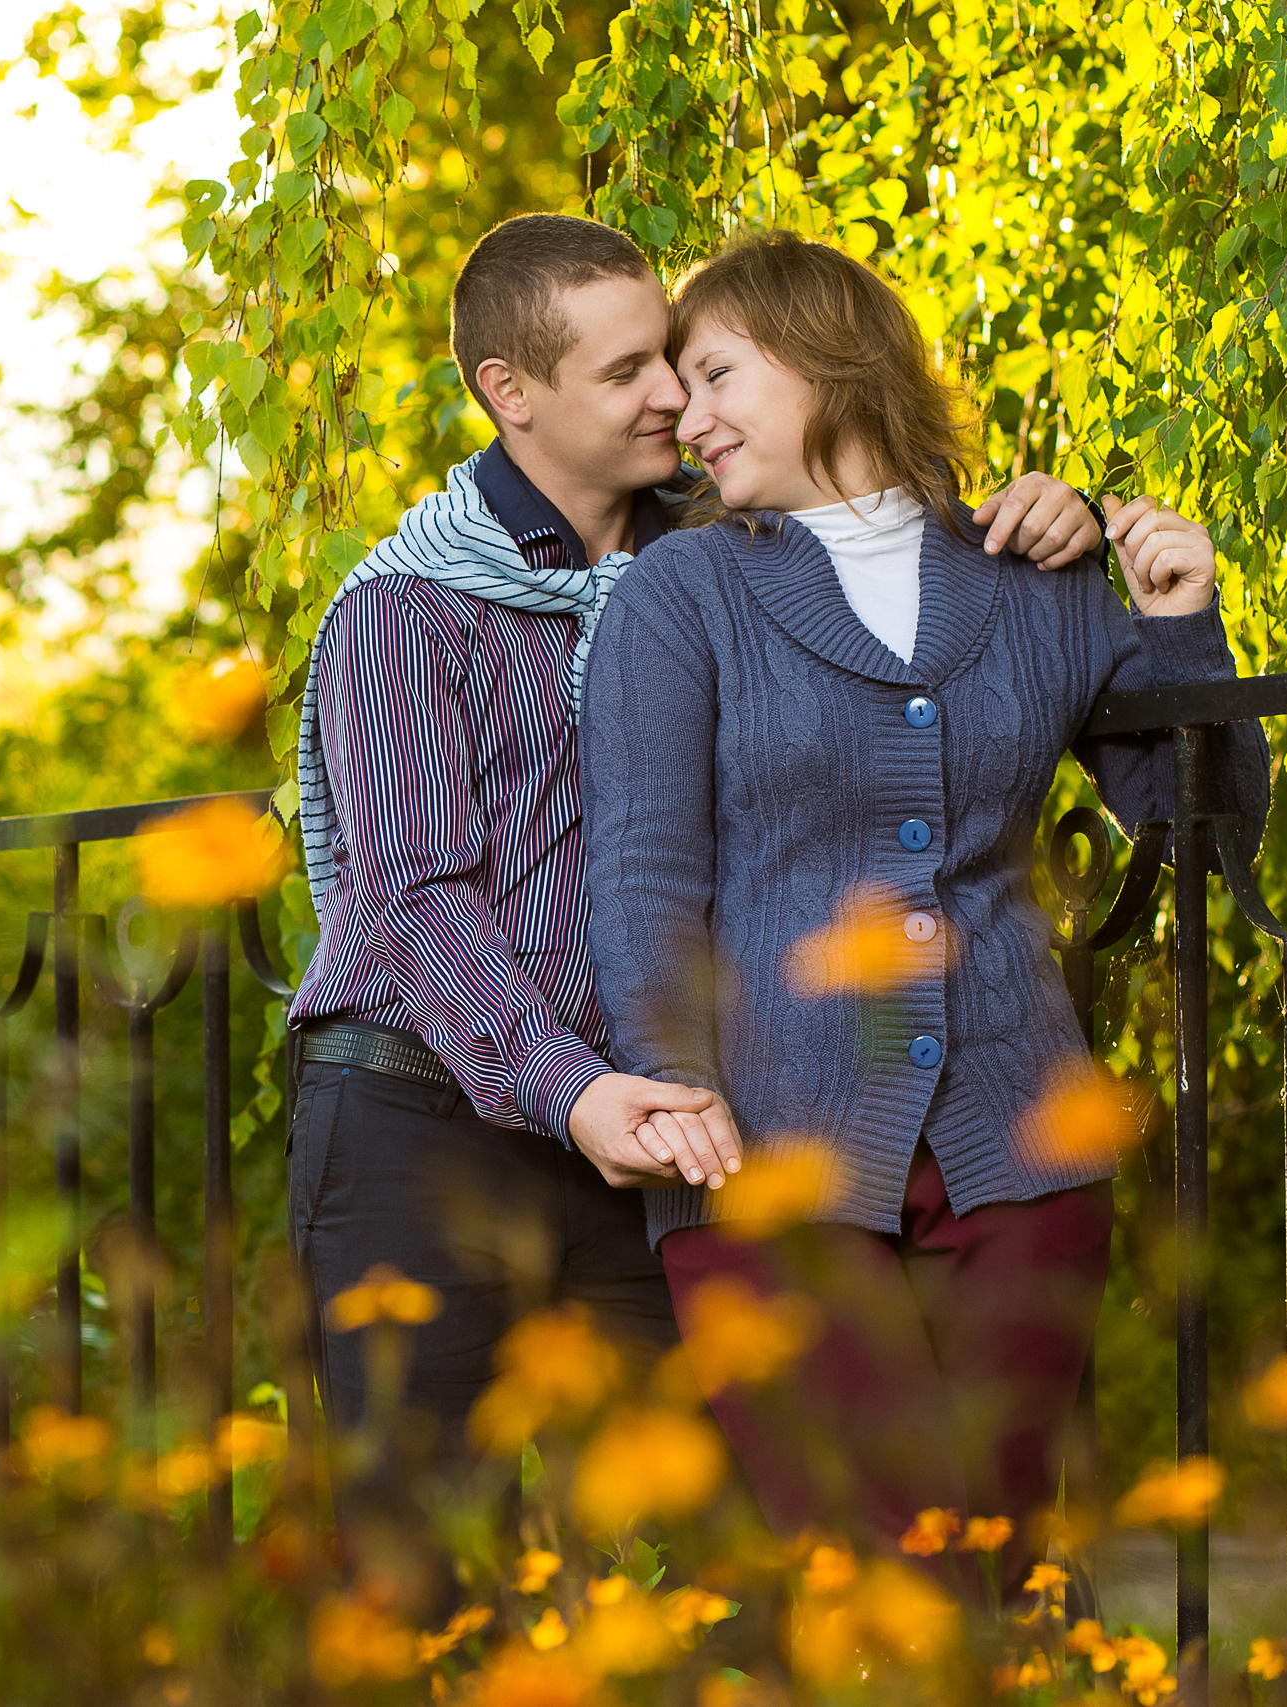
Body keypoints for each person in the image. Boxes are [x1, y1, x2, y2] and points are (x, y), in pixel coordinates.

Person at [286, 214, 1107, 1528]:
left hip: (656, 1135)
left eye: (680, 359)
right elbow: (408, 902)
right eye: (629, 373)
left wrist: (1060, 511)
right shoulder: (409, 609)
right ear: (512, 394)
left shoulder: (723, 556)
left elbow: (884, 546)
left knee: (734, 1556)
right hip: (434, 1120)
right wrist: (583, 1090)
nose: (673, 394)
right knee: (428, 1566)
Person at [577, 228, 1270, 1596]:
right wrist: (676, 1089)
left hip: (1019, 1164)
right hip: (764, 1171)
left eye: (715, 375)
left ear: (829, 358)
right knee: (875, 1590)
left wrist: (1182, 624)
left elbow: (1209, 847)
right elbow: (645, 870)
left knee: (987, 1586)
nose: (687, 418)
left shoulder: (1037, 581)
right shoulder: (683, 594)